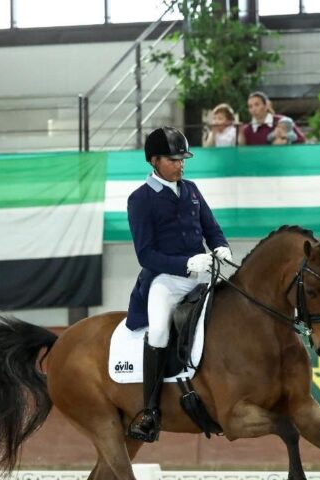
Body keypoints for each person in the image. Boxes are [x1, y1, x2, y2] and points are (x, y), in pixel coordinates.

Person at [124, 126, 232, 443]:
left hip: (202, 274)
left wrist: (221, 246)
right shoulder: (140, 199)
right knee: (158, 331)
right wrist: (184, 264)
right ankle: (150, 411)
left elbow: (211, 228)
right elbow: (146, 254)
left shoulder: (192, 189)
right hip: (166, 280)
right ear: (154, 161)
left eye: (183, 159)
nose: (180, 165)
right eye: (173, 160)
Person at [240, 91, 305, 146]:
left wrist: (285, 141)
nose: (253, 109)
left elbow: (301, 140)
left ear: (265, 106)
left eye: (257, 105)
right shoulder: (247, 130)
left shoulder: (282, 121)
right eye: (250, 106)